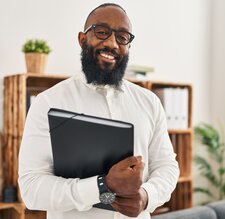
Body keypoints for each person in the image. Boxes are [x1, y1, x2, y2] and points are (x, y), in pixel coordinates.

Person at [18, 3, 179, 219]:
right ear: (82, 39)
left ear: (128, 47)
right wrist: (102, 186)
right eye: (102, 32)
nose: (111, 43)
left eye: (122, 37)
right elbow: (31, 189)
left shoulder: (149, 102)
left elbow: (167, 166)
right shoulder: (47, 103)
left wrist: (146, 196)